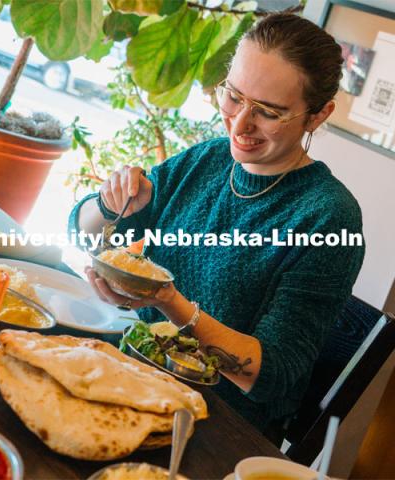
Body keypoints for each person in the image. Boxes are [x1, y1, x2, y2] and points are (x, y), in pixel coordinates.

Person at [69, 13, 365, 435]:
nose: (240, 124)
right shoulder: (209, 160)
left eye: (267, 112)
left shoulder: (327, 216)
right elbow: (82, 233)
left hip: (209, 424)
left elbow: (272, 375)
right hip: (125, 375)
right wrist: (110, 201)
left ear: (316, 116)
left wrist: (167, 301)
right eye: (234, 95)